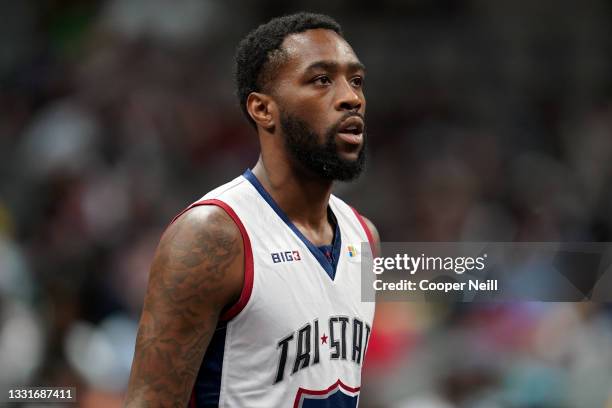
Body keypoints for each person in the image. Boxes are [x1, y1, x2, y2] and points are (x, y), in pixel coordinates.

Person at [125, 11, 380, 408]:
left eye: (357, 80)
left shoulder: (365, 237)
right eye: (322, 80)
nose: (352, 97)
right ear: (263, 109)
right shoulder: (211, 235)